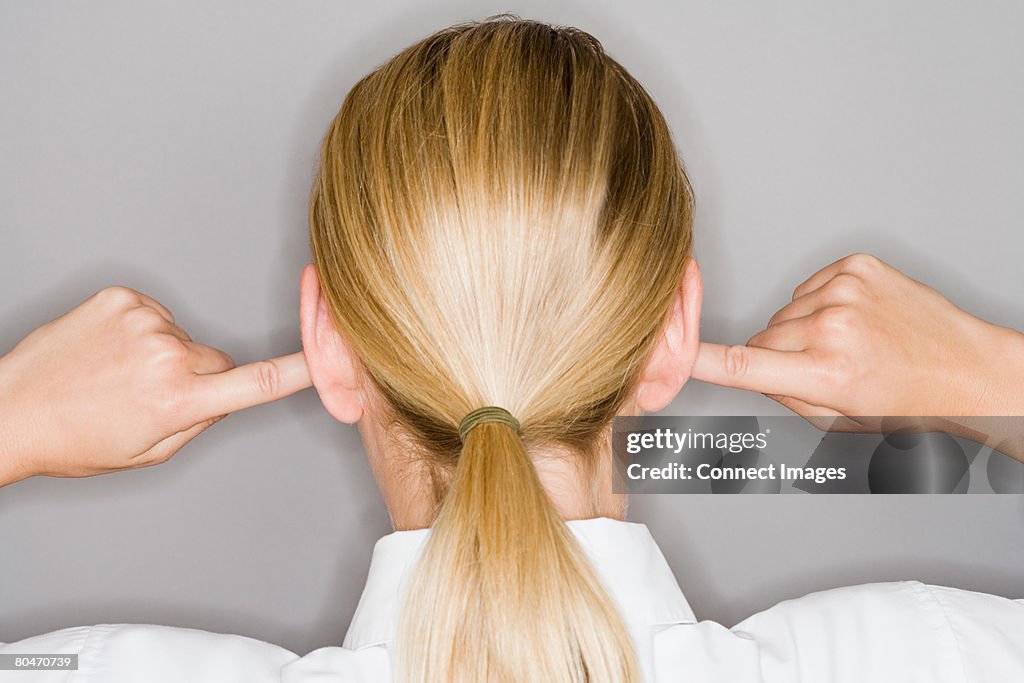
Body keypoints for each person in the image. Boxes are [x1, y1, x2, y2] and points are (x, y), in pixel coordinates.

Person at [1, 16, 1023, 683]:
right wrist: (993, 379)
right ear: (670, 334)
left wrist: (17, 418)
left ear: (331, 346)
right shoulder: (928, 653)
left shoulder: (87, 670)